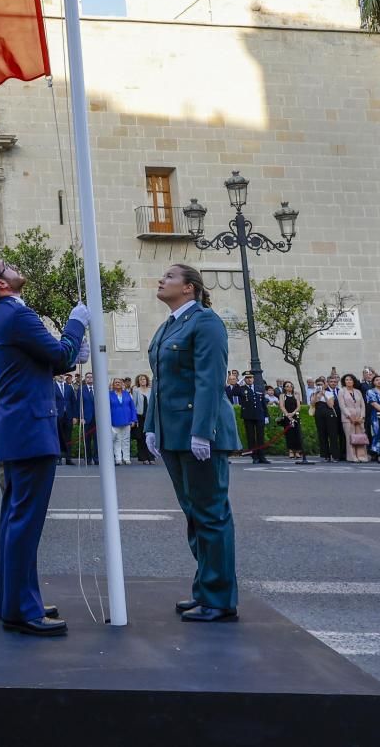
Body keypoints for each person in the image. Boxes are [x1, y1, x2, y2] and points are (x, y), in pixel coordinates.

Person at [0, 255, 85, 636]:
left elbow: (41, 364)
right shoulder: (16, 314)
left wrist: (66, 354)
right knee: (24, 522)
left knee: (16, 521)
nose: (14, 266)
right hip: (30, 429)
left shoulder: (6, 316)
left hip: (18, 429)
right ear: (0, 284)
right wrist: (76, 324)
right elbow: (61, 355)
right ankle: (22, 609)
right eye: (5, 265)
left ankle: (19, 601)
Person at [144, 264, 239, 623]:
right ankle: (206, 590)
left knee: (211, 515)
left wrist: (204, 431)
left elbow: (210, 380)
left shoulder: (206, 322)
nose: (161, 279)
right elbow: (160, 382)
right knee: (194, 514)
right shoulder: (168, 325)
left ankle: (220, 598)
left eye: (168, 276)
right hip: (173, 433)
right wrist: (152, 426)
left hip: (199, 434)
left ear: (189, 288)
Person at [237, 372, 270, 465]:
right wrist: (239, 382)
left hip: (259, 415)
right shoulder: (242, 389)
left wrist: (266, 415)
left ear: (253, 379)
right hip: (248, 416)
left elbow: (263, 403)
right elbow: (233, 392)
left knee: (260, 437)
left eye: (250, 378)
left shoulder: (259, 388)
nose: (249, 379)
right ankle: (254, 456)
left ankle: (262, 456)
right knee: (251, 437)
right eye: (247, 378)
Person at [337, 374, 369, 463]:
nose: (349, 381)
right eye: (347, 380)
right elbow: (342, 406)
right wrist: (349, 416)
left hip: (359, 418)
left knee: (360, 437)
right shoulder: (341, 391)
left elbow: (363, 405)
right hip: (348, 419)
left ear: (353, 381)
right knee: (350, 437)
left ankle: (362, 456)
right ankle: (352, 456)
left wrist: (362, 416)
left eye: (350, 380)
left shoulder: (358, 391)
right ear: (344, 382)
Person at [310, 378, 340, 462]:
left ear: (325, 385)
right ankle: (325, 455)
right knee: (322, 435)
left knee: (332, 435)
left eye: (321, 384)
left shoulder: (329, 393)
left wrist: (324, 395)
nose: (319, 386)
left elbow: (331, 405)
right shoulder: (313, 394)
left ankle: (335, 455)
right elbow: (312, 404)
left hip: (329, 414)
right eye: (318, 384)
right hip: (319, 415)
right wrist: (316, 395)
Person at [108, 378, 136, 465]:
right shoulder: (109, 395)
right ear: (113, 385)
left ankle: (126, 458)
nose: (117, 384)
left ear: (122, 384)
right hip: (114, 422)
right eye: (115, 382)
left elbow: (132, 408)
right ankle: (118, 459)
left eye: (119, 382)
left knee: (126, 440)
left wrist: (133, 420)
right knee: (116, 441)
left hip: (127, 421)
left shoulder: (127, 394)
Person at [276, 380, 304, 463]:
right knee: (289, 434)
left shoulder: (296, 395)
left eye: (291, 386)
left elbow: (298, 406)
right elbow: (282, 406)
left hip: (295, 416)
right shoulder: (282, 395)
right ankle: (291, 450)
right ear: (284, 387)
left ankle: (298, 451)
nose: (289, 387)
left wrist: (293, 413)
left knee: (297, 433)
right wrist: (288, 415)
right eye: (287, 386)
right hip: (287, 416)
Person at [133, 373, 156, 463]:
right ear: (138, 382)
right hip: (140, 416)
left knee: (150, 436)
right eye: (140, 379)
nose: (142, 381)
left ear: (146, 380)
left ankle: (151, 457)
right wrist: (135, 419)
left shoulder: (151, 390)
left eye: (144, 379)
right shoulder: (136, 390)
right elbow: (134, 405)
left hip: (150, 416)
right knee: (142, 438)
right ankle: (144, 458)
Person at [57, 373, 79, 465]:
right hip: (57, 415)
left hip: (68, 416)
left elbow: (74, 402)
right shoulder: (52, 386)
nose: (61, 376)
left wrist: (75, 416)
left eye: (62, 375)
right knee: (58, 437)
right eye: (59, 375)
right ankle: (58, 458)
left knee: (68, 437)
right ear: (55, 376)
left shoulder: (68, 387)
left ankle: (68, 458)